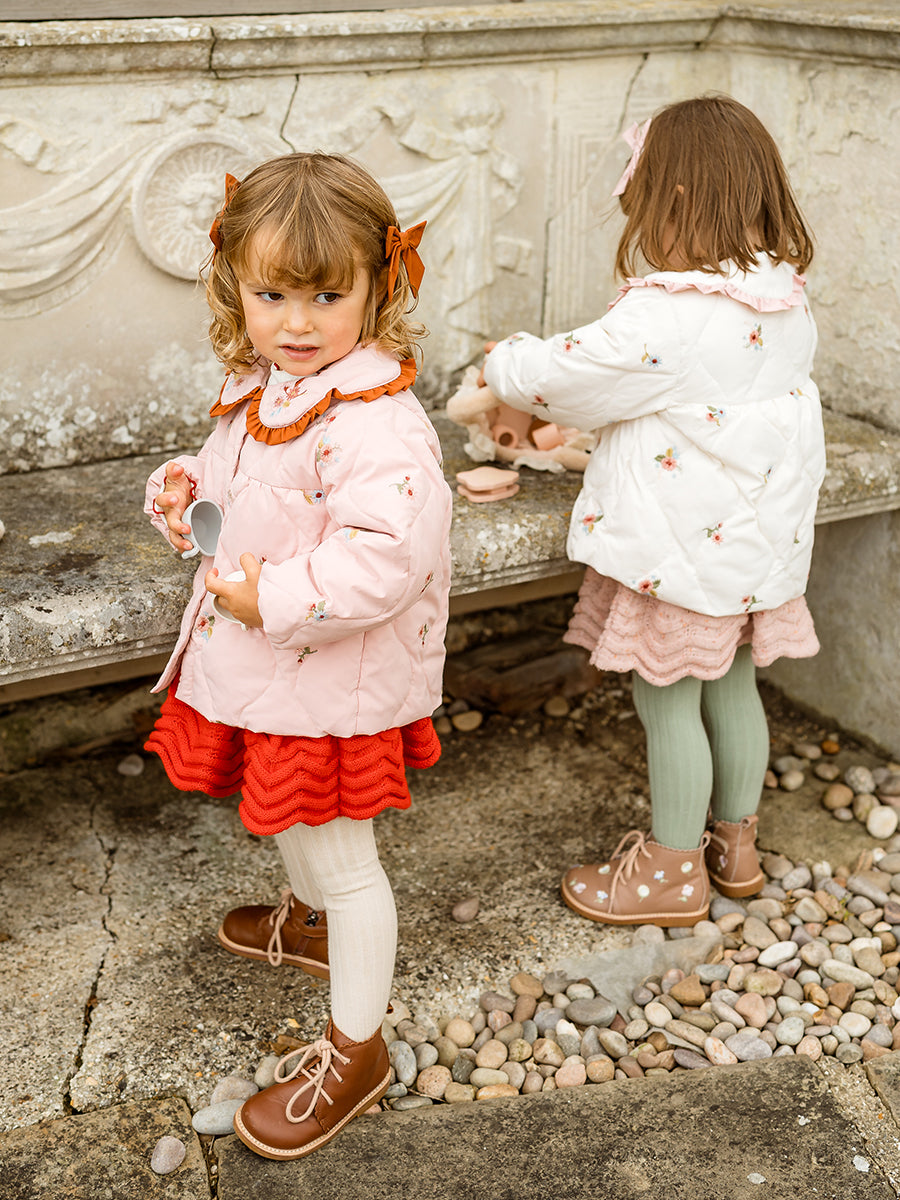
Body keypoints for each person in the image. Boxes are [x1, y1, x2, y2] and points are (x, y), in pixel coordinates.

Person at [143, 152, 452, 1159]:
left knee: (343, 857)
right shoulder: (264, 386)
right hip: (272, 669)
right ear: (234, 285)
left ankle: (356, 1050)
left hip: (330, 681)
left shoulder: (376, 422)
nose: (299, 322)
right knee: (286, 814)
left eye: (328, 296)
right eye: (272, 295)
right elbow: (238, 483)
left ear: (379, 287)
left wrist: (270, 596)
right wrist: (187, 487)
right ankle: (312, 923)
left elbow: (385, 559)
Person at [481, 95, 824, 928]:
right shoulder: (782, 295)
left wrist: (501, 361)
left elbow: (563, 375)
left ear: (671, 200)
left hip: (679, 557)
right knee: (733, 689)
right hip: (750, 553)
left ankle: (670, 873)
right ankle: (734, 849)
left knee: (666, 699)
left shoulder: (667, 313)